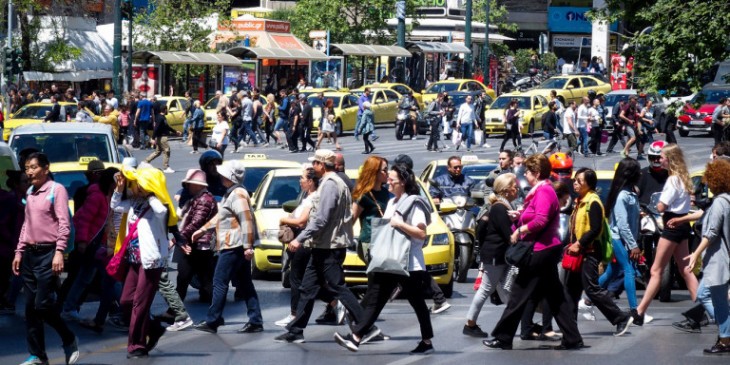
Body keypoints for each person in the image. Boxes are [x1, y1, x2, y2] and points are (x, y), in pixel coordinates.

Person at [483, 154, 583, 351]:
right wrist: (519, 215)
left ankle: (503, 337)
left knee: (518, 294)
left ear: (536, 173)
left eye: (527, 172)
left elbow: (540, 221)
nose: (525, 175)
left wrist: (520, 230)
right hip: (544, 249)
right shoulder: (539, 191)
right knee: (556, 297)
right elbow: (535, 215)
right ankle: (572, 338)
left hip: (540, 250)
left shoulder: (544, 191)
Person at [334, 164, 435, 354]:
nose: (388, 181)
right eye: (388, 178)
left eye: (392, 179)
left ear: (403, 182)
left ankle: (427, 341)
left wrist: (399, 224)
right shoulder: (392, 202)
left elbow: (421, 233)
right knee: (375, 298)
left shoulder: (414, 203)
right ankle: (356, 337)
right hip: (390, 259)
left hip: (409, 263)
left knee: (417, 303)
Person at [274, 149, 365, 344]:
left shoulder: (330, 185)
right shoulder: (331, 183)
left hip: (329, 246)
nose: (312, 167)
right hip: (323, 245)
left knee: (337, 287)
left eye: (315, 163)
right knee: (307, 288)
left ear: (322, 165)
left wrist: (300, 238)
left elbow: (321, 219)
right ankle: (296, 330)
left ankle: (366, 325)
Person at [12, 152, 80, 365]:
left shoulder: (56, 190)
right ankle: (38, 356)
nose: (29, 172)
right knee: (30, 308)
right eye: (26, 168)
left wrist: (60, 251)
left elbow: (64, 223)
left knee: (42, 304)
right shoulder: (31, 192)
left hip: (48, 254)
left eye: (33, 167)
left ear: (46, 168)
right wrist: (19, 251)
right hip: (30, 255)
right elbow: (27, 224)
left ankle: (68, 338)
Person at [113, 166, 177, 358]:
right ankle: (154, 329)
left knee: (140, 305)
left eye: (139, 184)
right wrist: (119, 188)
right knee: (125, 301)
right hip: (133, 260)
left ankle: (136, 345)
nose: (135, 187)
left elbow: (161, 212)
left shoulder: (157, 204)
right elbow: (115, 206)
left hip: (150, 262)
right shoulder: (133, 202)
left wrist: (150, 192)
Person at [193, 161, 264, 334]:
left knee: (219, 282)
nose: (220, 176)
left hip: (234, 244)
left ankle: (213, 320)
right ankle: (255, 320)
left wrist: (248, 246)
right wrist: (203, 230)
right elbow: (221, 217)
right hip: (235, 244)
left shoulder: (237, 193)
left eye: (223, 174)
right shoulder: (231, 193)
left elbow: (246, 220)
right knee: (245, 284)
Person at [632, 144, 699, 325]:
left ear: (670, 159)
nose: (659, 160)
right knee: (686, 270)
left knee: (656, 270)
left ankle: (639, 311)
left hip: (671, 225)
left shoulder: (672, 180)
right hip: (683, 223)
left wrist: (659, 205)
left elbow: (661, 206)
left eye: (662, 157)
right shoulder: (683, 178)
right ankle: (703, 308)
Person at [565, 168, 633, 336]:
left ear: (589, 184)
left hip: (589, 252)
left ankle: (620, 318)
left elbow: (596, 229)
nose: (575, 183)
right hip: (577, 252)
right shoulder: (579, 200)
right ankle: (570, 329)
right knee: (571, 290)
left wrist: (579, 244)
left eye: (579, 181)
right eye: (575, 180)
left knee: (592, 288)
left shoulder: (593, 202)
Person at [277, 167, 343, 327]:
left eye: (302, 178)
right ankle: (334, 303)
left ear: (311, 181)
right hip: (304, 242)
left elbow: (302, 221)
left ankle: (294, 315)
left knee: (296, 279)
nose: (300, 181)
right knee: (312, 282)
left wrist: (284, 219)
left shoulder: (312, 198)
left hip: (303, 242)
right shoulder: (307, 197)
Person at [464, 173, 518, 338]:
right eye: (514, 186)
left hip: (498, 255)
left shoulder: (504, 206)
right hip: (495, 255)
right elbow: (507, 235)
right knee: (486, 289)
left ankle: (519, 320)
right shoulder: (500, 208)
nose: (517, 189)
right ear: (506, 190)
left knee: (506, 290)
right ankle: (470, 324)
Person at [686, 158, 730, 354]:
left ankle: (726, 339)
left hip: (719, 260)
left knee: (717, 300)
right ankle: (725, 333)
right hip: (720, 259)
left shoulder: (720, 202)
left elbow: (711, 232)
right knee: (705, 294)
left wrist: (695, 253)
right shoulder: (727, 200)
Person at [599, 158, 643, 320]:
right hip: (618, 238)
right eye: (637, 171)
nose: (640, 174)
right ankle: (634, 310)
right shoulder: (622, 196)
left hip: (626, 239)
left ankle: (589, 297)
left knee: (612, 271)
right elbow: (622, 224)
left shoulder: (631, 193)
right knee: (628, 270)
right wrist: (633, 246)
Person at [175, 169, 218, 314]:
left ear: (198, 185)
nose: (188, 187)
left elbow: (195, 223)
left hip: (200, 246)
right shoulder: (196, 199)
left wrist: (178, 238)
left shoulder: (205, 200)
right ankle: (174, 311)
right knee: (184, 278)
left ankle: (216, 313)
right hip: (194, 244)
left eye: (190, 184)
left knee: (205, 282)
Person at [145, 105, 180, 173]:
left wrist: (175, 131)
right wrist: (152, 138)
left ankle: (146, 162)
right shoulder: (160, 118)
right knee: (167, 151)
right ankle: (166, 167)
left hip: (160, 137)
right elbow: (156, 128)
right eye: (167, 110)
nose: (168, 111)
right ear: (164, 110)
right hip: (162, 137)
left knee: (157, 152)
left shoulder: (162, 117)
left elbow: (167, 127)